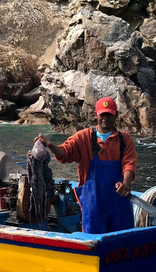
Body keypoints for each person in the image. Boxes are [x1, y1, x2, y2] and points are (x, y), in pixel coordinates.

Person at [34, 96, 136, 234]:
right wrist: (50, 145)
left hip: (120, 204)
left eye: (109, 114)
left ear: (116, 115)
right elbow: (64, 153)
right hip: (93, 206)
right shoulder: (83, 137)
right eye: (102, 114)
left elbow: (129, 164)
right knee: (93, 241)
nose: (105, 118)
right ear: (95, 115)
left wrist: (126, 183)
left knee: (125, 240)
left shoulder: (125, 139)